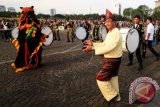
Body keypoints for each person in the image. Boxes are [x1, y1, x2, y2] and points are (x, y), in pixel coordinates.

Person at [83, 9, 122, 102]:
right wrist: (93, 44)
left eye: (109, 21)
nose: (107, 23)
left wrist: (92, 48)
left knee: (100, 78)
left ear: (114, 22)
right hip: (112, 59)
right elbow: (104, 44)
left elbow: (108, 47)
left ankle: (113, 95)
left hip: (112, 60)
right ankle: (117, 96)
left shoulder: (115, 32)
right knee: (112, 79)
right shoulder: (111, 32)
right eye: (106, 21)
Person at [11, 6, 46, 72]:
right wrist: (42, 36)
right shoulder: (31, 22)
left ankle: (19, 64)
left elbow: (22, 33)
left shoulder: (23, 22)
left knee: (22, 52)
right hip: (31, 42)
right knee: (34, 51)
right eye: (33, 12)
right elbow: (36, 32)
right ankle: (31, 63)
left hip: (25, 41)